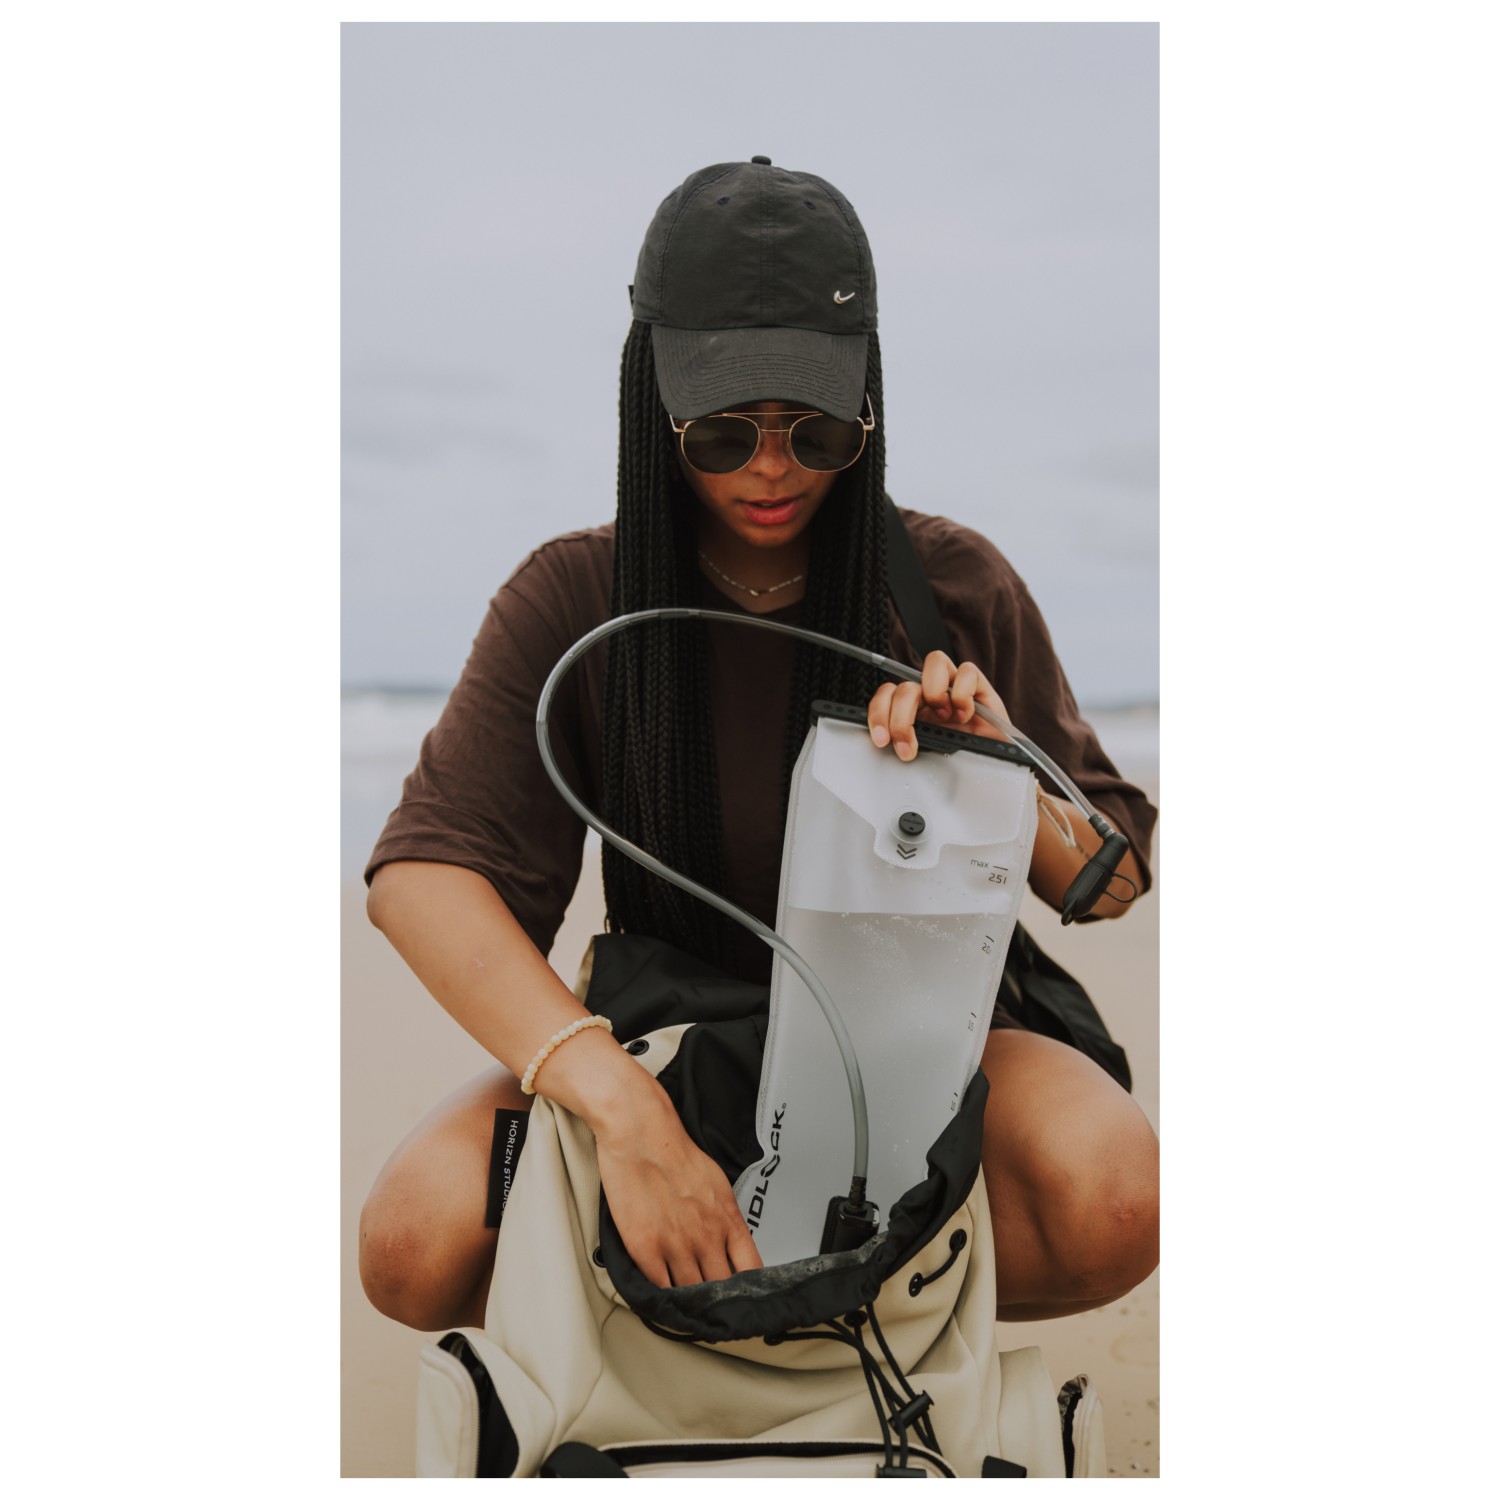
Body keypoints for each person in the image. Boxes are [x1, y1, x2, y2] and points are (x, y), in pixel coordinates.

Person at [359, 157, 1159, 1332]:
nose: (772, 468)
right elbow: (424, 880)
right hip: (668, 1033)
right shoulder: (578, 597)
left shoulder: (948, 585)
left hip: (925, 1034)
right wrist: (622, 1111)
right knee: (412, 1246)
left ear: (867, 405)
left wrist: (997, 767)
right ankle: (751, 1327)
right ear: (655, 405)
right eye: (724, 433)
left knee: (1117, 1195)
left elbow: (1112, 883)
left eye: (817, 429)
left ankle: (826, 1326)